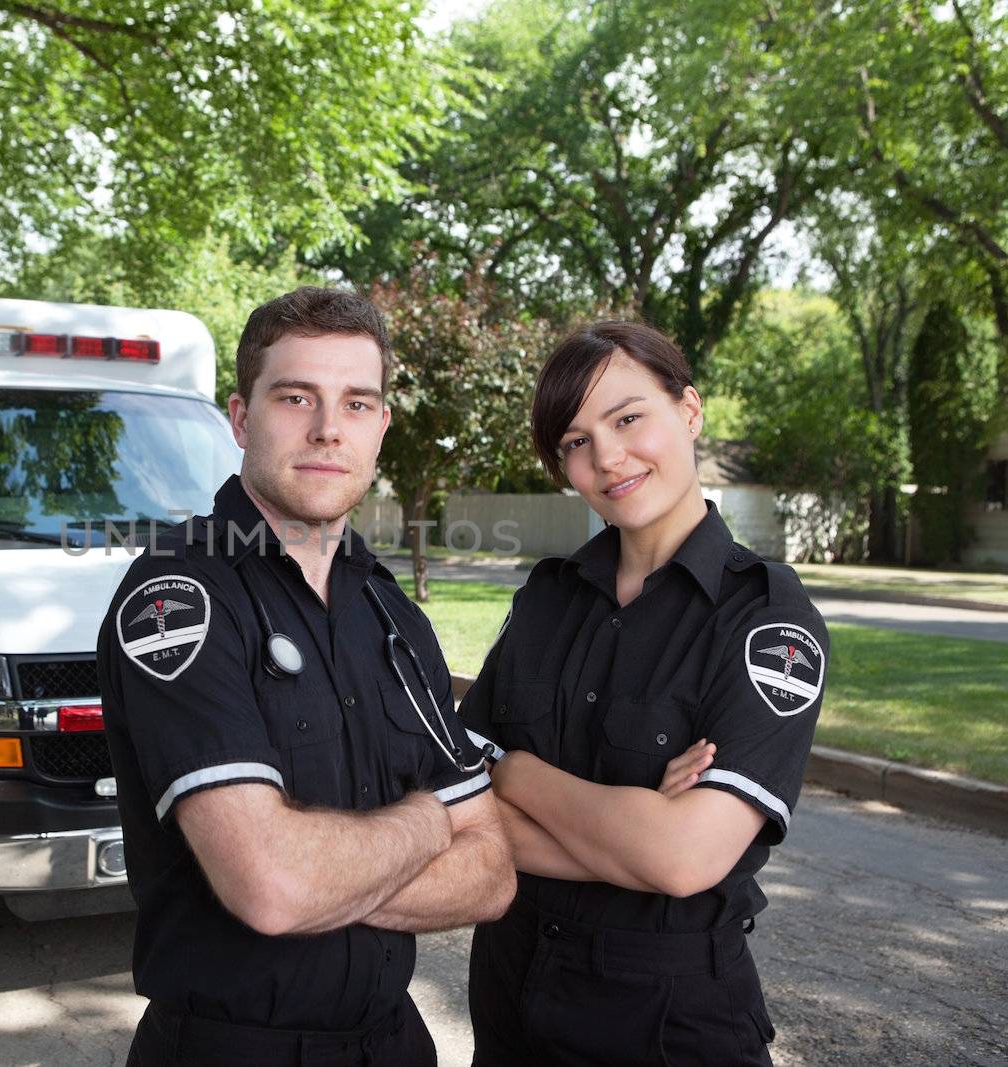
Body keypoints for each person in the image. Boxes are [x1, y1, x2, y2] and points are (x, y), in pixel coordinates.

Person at [98, 286, 515, 1067]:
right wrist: (428, 824)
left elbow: (491, 871)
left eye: (358, 403)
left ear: (382, 426)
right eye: (297, 397)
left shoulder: (396, 617)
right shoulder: (179, 596)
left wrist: (323, 875)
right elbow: (272, 886)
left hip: (393, 1043)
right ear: (241, 416)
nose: (329, 428)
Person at [460, 320, 828, 1066]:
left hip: (666, 1021)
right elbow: (450, 809)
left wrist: (518, 772)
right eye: (575, 440)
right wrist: (634, 828)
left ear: (688, 411)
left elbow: (684, 860)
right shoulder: (547, 600)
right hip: (509, 1000)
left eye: (629, 418)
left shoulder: (767, 620)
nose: (608, 457)